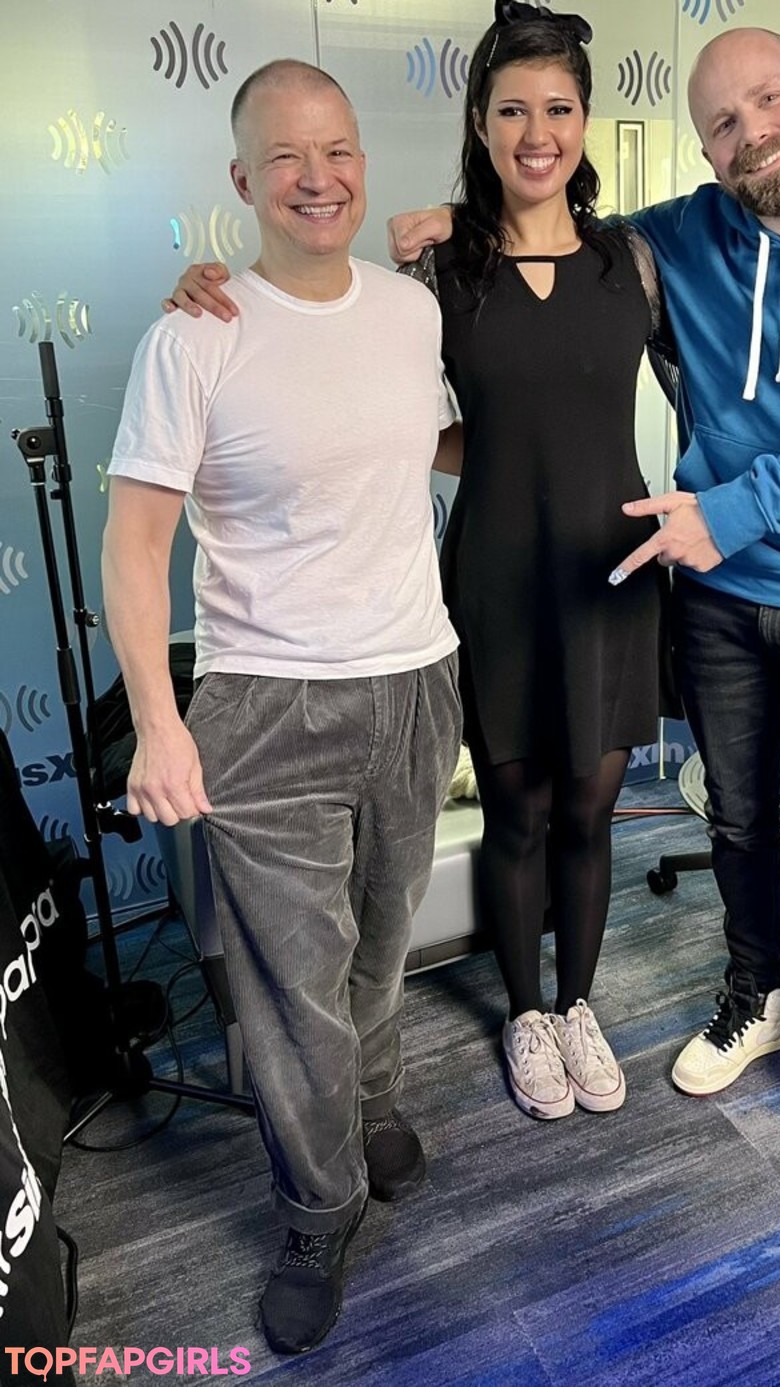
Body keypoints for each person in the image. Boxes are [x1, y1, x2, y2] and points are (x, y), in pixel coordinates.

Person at [390, 22, 780, 1202]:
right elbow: (541, 256)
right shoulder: (677, 240)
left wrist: (727, 512)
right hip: (713, 592)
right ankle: (758, 996)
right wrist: (456, 221)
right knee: (737, 823)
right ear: (703, 146)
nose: (753, 133)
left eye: (770, 102)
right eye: (723, 122)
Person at [165, 4, 675, 1125]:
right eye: (512, 111)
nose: (537, 132)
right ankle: (527, 1013)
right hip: (495, 580)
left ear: (585, 121)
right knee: (517, 813)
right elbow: (335, 345)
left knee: (593, 811)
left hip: (612, 579)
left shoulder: (633, 263)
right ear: (480, 125)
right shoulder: (441, 269)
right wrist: (213, 288)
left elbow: (715, 397)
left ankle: (579, 1004)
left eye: (558, 108)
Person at [101, 59, 462, 1355]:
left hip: (415, 677)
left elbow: (438, 443)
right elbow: (134, 545)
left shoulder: (411, 313)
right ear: (244, 179)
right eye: (289, 157)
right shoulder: (194, 332)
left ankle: (368, 1104)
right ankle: (319, 1207)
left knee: (381, 942)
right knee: (293, 986)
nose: (320, 178)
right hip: (265, 703)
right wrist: (160, 721)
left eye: (339, 150)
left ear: (362, 160)